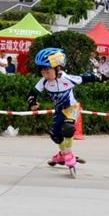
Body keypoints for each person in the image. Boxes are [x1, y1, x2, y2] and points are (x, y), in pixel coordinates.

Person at [26, 48, 97, 176]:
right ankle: (62, 155)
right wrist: (32, 103)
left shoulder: (67, 78)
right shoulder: (44, 82)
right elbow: (31, 94)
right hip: (59, 110)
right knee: (56, 136)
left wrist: (99, 77)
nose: (45, 73)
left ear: (57, 68)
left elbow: (85, 78)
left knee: (68, 128)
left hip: (72, 108)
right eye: (42, 71)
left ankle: (69, 157)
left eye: (47, 70)